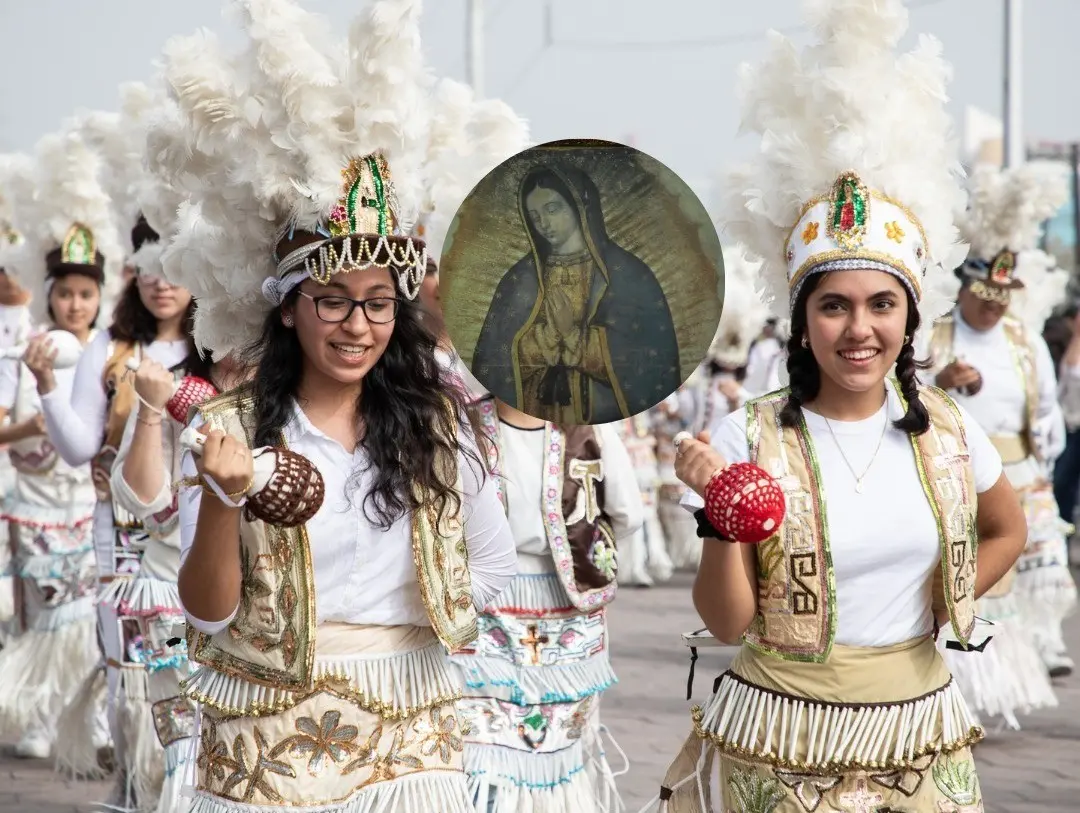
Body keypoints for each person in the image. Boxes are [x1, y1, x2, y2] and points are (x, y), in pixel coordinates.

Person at [644, 1, 1028, 810]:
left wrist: (950, 600)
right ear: (803, 321)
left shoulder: (950, 433)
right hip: (781, 732)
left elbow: (1007, 527)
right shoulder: (745, 431)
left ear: (909, 316)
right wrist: (721, 513)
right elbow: (724, 621)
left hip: (919, 724)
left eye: (881, 305)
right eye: (834, 306)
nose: (860, 329)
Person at [157, 2, 518, 809]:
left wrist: (428, 610)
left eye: (378, 303)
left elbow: (494, 564)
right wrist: (223, 498)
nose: (358, 325)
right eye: (333, 300)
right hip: (267, 737)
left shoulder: (438, 425)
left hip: (411, 732)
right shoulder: (230, 429)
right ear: (287, 306)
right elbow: (207, 613)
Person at [37, 214, 198, 806]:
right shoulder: (110, 345)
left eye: (175, 271)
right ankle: (135, 788)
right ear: (133, 274)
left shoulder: (220, 346)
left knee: (195, 665)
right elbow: (79, 447)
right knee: (128, 668)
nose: (161, 284)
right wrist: (47, 388)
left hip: (199, 529)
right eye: (149, 271)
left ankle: (186, 789)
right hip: (123, 535)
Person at [926, 163, 1077, 686]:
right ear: (965, 288)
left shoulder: (1024, 340)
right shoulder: (938, 337)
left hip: (1022, 469)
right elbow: (908, 398)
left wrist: (1042, 455)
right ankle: (973, 675)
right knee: (979, 574)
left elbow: (1048, 409)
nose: (993, 307)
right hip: (958, 474)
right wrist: (942, 380)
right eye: (985, 295)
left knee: (1043, 567)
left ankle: (1042, 646)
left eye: (1003, 296)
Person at [455, 396, 640, 812]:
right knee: (557, 744)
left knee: (480, 736)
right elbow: (628, 515)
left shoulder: (459, 423)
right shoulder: (591, 428)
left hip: (483, 594)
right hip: (563, 591)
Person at [0, 139, 111, 761]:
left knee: (93, 619)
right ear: (50, 295)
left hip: (87, 503)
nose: (75, 304)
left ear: (98, 297)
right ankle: (40, 717)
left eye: (85, 294)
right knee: (44, 620)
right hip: (36, 506)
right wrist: (36, 429)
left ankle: (87, 721)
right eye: (65, 293)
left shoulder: (107, 350)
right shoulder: (26, 350)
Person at [473, 163, 680, 424]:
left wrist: (574, 335)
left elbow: (649, 359)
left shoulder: (627, 275)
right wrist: (544, 338)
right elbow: (493, 358)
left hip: (602, 422)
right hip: (528, 419)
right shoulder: (520, 278)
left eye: (552, 209)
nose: (544, 224)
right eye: (535, 216)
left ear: (579, 206)